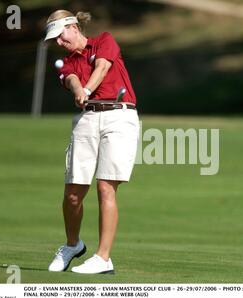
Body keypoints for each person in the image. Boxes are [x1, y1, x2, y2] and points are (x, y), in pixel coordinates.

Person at [44, 10, 139, 274]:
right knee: (73, 194)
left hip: (120, 116)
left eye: (61, 36)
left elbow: (103, 66)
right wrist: (78, 91)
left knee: (105, 187)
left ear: (73, 27)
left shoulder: (104, 40)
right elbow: (72, 79)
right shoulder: (67, 63)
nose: (60, 43)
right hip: (88, 119)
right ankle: (73, 245)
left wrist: (87, 90)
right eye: (55, 41)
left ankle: (103, 258)